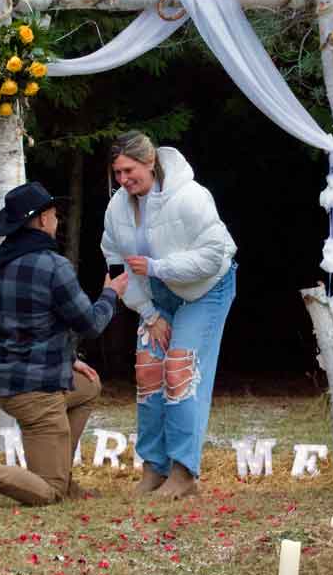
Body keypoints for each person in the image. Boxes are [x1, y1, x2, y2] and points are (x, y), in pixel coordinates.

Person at [0, 181, 128, 511]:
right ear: (40, 220)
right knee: (48, 493)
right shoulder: (53, 266)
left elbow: (34, 324)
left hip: (9, 385)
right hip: (38, 392)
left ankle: (60, 475)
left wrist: (68, 360)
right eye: (53, 215)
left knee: (88, 385)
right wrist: (111, 294)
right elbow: (91, 325)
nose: (56, 221)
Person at [101, 131, 237, 498]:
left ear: (150, 162)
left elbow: (212, 257)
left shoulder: (191, 197)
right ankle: (153, 468)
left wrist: (158, 267)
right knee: (148, 371)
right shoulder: (117, 207)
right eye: (117, 173)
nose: (124, 180)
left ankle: (183, 471)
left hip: (206, 288)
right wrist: (148, 312)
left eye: (129, 170)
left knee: (180, 369)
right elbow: (115, 262)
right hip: (156, 294)